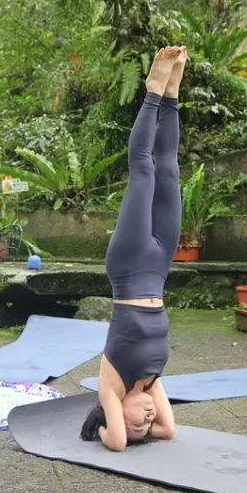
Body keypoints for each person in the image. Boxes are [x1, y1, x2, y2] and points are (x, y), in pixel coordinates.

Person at [81, 46, 187, 451]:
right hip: (159, 267)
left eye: (136, 422)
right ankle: (174, 93)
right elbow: (168, 430)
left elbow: (119, 443)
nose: (147, 419)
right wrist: (151, 426)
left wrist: (110, 429)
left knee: (143, 168)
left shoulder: (111, 382)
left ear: (111, 410)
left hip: (127, 268)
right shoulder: (151, 383)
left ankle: (154, 90)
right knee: (170, 168)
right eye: (147, 423)